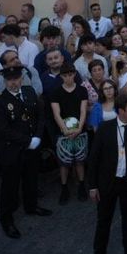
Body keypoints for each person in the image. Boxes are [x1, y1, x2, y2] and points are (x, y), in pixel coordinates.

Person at [86, 93, 127, 254]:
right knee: (103, 221)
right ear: (121, 111)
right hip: (108, 183)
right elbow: (93, 158)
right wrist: (92, 186)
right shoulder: (105, 129)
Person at [0, 66, 51, 239]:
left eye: (16, 79)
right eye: (9, 80)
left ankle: (31, 206)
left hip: (32, 148)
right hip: (12, 151)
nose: (13, 83)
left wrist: (37, 136)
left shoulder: (29, 92)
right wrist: (27, 141)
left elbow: (40, 116)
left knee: (31, 180)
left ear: (21, 79)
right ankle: (7, 220)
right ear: (4, 81)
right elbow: (2, 130)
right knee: (10, 188)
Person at [50, 63, 89, 204]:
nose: (68, 78)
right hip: (63, 132)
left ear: (74, 74)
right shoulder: (55, 92)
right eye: (65, 75)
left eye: (70, 75)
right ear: (61, 76)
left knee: (80, 161)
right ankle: (64, 187)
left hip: (80, 130)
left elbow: (83, 111)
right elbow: (56, 114)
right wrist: (64, 129)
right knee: (64, 163)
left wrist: (79, 128)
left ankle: (81, 185)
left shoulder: (82, 90)